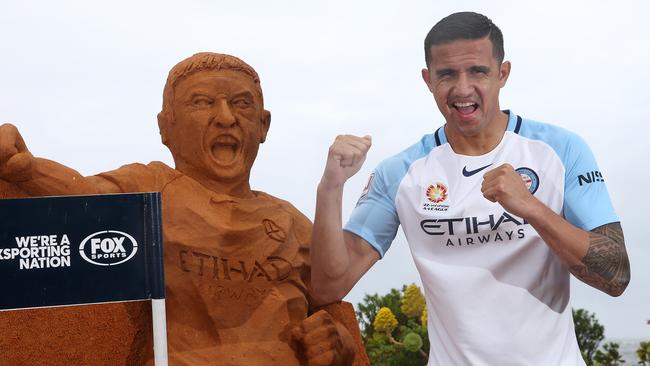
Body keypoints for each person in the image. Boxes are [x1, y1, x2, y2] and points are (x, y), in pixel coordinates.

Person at [311, 12, 630, 365]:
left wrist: (533, 209)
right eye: (447, 74)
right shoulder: (400, 173)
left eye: (478, 71)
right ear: (428, 79)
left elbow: (616, 275)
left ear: (502, 73)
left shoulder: (560, 149)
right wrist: (330, 188)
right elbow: (329, 286)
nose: (462, 89)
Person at [0, 52, 356, 366]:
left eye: (242, 103)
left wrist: (339, 342)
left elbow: (331, 299)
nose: (226, 117)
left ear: (263, 125)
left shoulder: (291, 222)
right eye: (201, 102)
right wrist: (24, 165)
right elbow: (86, 196)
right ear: (165, 126)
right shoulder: (151, 187)